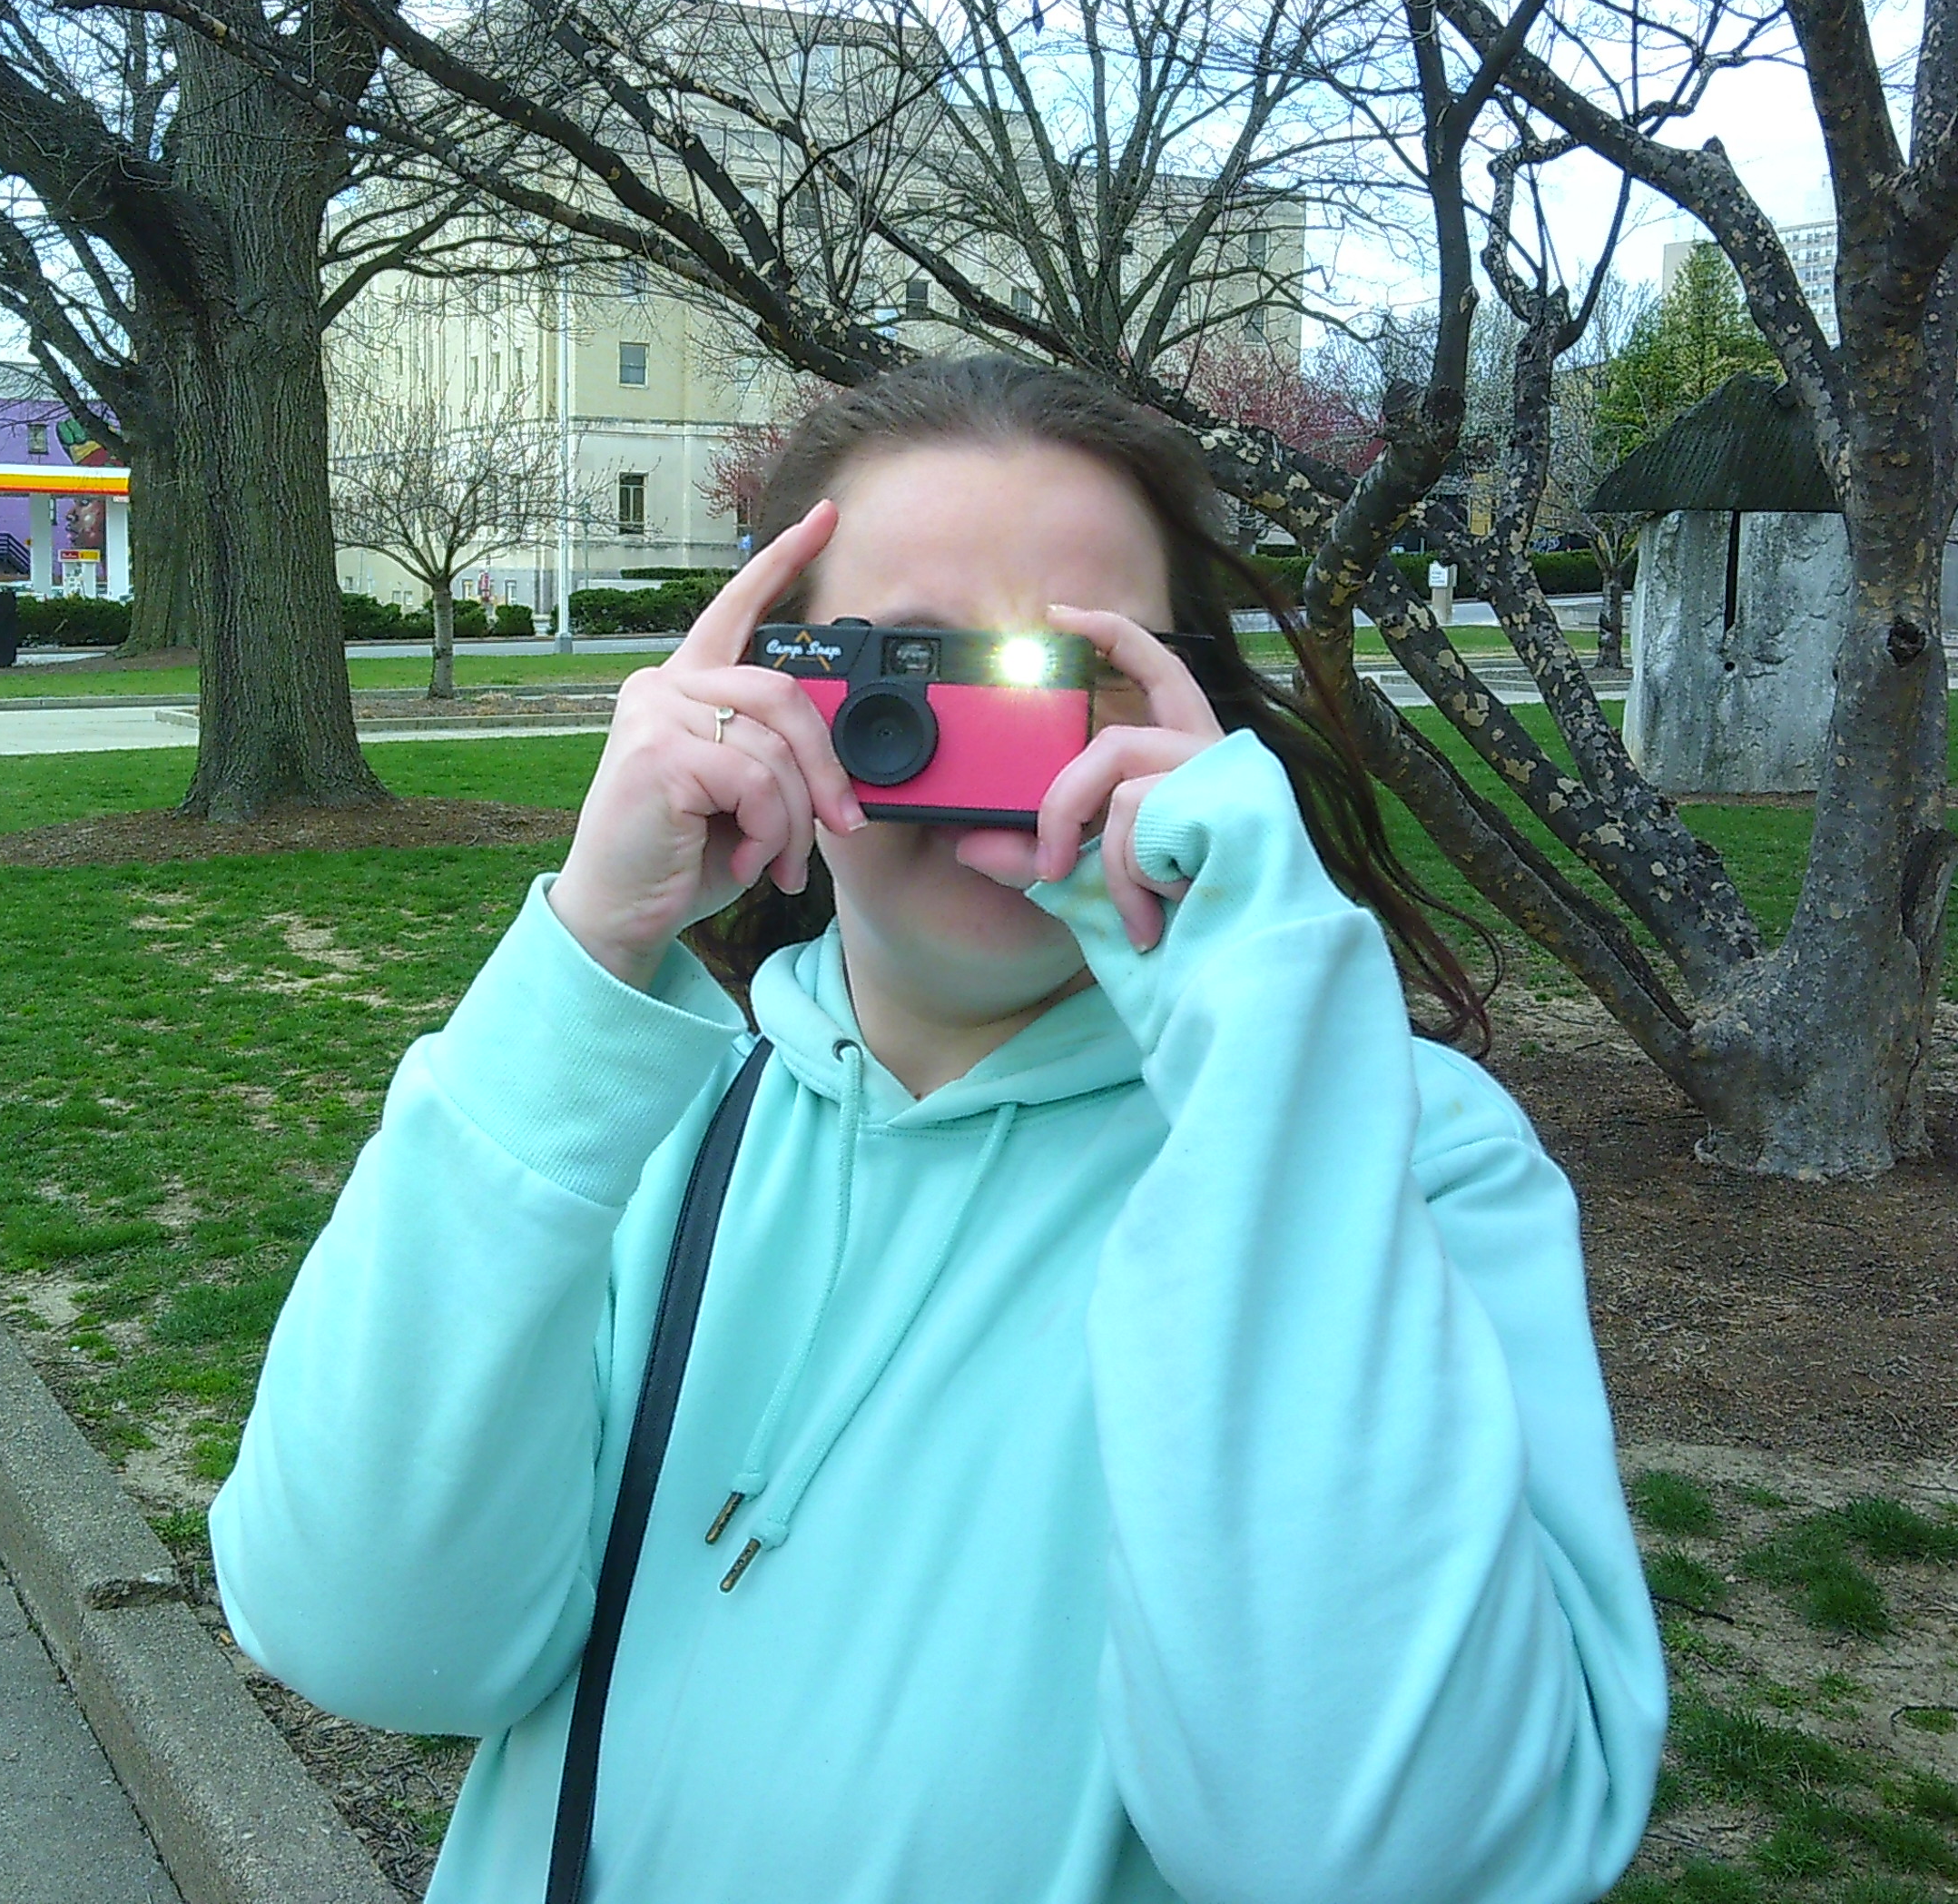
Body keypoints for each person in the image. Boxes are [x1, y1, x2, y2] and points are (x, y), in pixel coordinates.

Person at [211, 357, 1666, 1902]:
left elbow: (1396, 1856)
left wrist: (1272, 1069)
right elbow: (363, 1634)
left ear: (1201, 717)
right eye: (914, 666)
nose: (1006, 751)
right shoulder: (637, 1113)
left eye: (1073, 670)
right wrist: (581, 961)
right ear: (765, 695)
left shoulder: (1396, 1151)